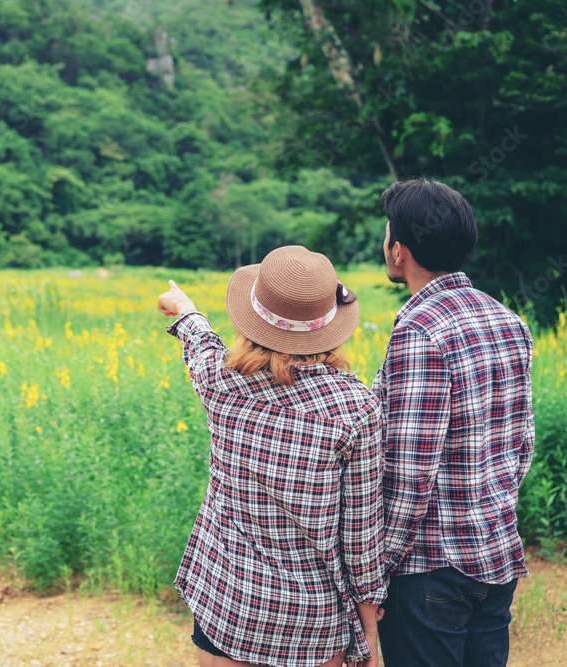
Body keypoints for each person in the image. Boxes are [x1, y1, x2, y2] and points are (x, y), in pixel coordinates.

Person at [158, 245, 386, 667]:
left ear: (252, 316)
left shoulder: (220, 384)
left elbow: (201, 345)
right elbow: (360, 535)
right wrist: (369, 625)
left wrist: (186, 309)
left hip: (230, 609)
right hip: (314, 624)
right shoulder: (357, 408)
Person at [373, 178, 535, 667]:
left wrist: (376, 571)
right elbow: (521, 445)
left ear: (399, 251)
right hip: (494, 555)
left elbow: (409, 475)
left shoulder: (420, 332)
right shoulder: (508, 320)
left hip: (429, 571)